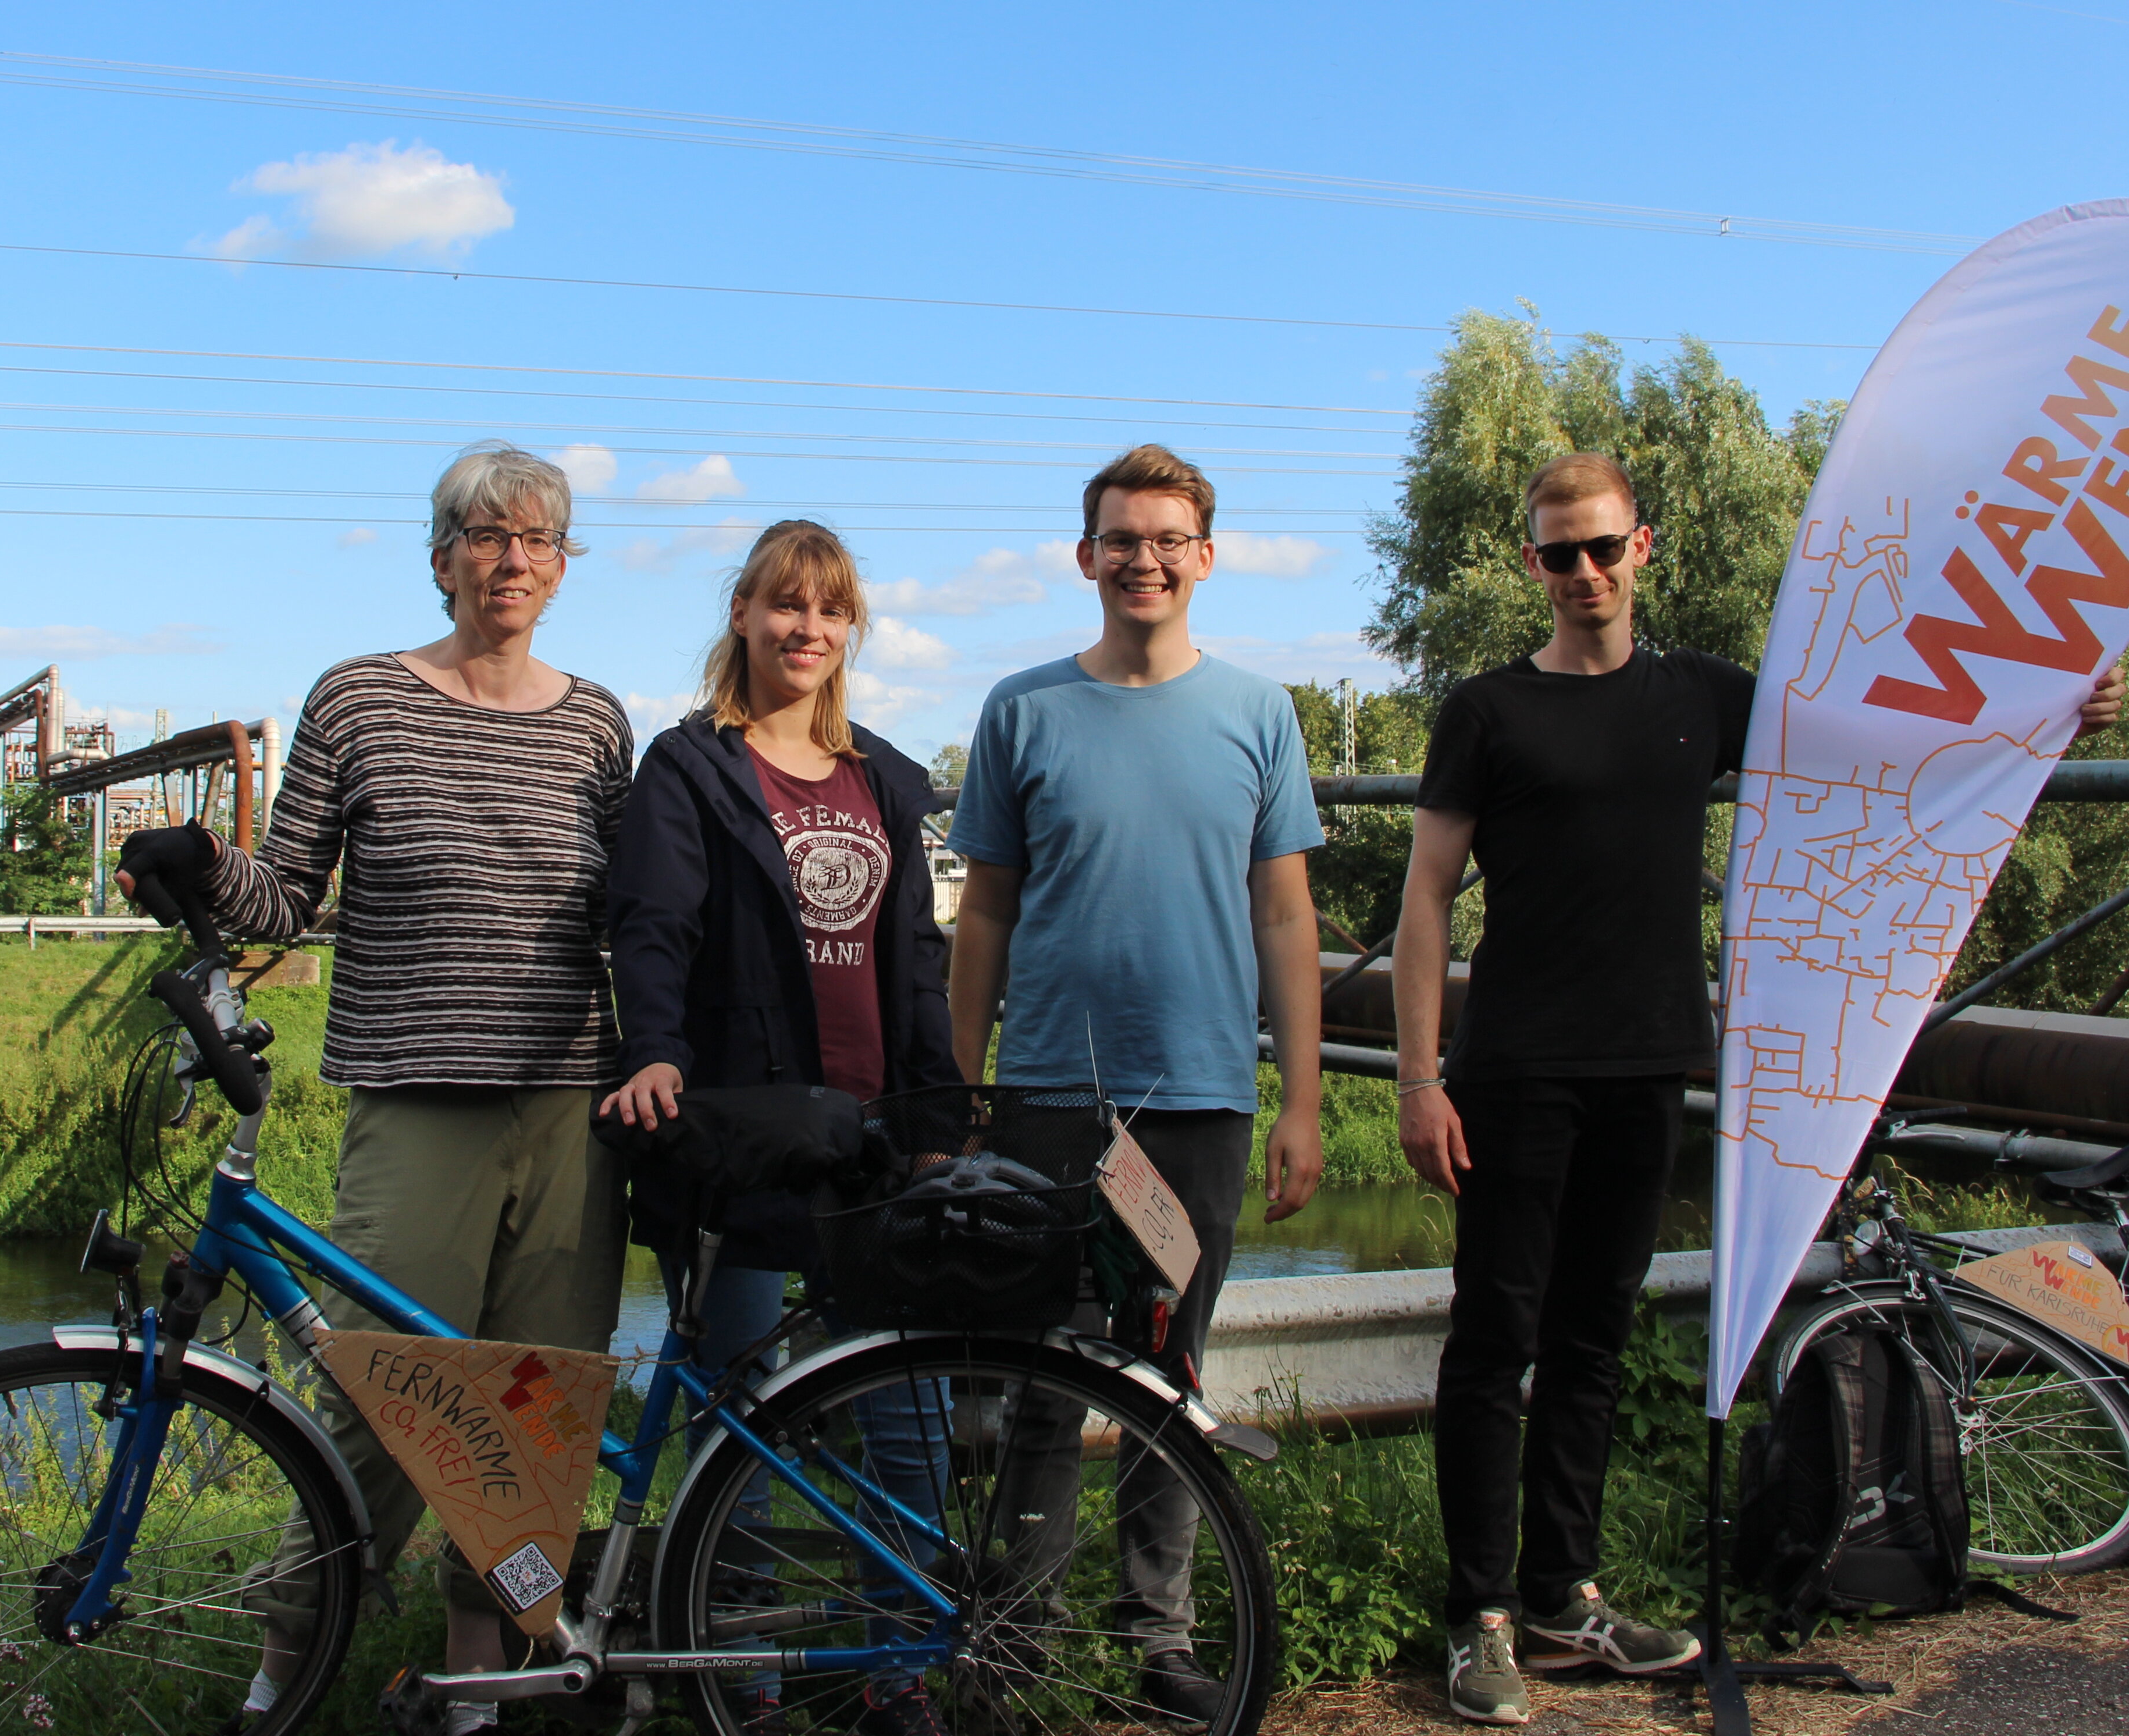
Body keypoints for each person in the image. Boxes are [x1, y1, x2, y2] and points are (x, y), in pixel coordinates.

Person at [1393, 450, 2127, 1726]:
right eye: (1559, 553)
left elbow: (1881, 735)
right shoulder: (1488, 710)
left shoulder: (1705, 696)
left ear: (1642, 547)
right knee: (1495, 1342)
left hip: (1649, 1062)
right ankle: (1481, 1618)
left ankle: (1565, 1598)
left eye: (1603, 547)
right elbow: (1422, 899)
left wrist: (2049, 710)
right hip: (1514, 1069)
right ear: (1532, 563)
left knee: (1593, 1341)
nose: (1583, 572)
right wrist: (1417, 1078)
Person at [120, 441, 632, 1733]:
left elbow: (631, 919)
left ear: (562, 567)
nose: (512, 560)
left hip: (571, 1103)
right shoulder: (359, 700)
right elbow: (288, 896)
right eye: (486, 536)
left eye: (537, 539)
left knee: (536, 1413)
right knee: (384, 1400)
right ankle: (281, 1669)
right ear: (442, 558)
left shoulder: (597, 723)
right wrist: (203, 860)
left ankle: (478, 1684)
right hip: (413, 1097)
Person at [946, 442, 1326, 1727]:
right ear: (1086, 555)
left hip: (1202, 1097)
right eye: (1122, 539)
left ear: (1205, 558)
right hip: (1050, 1095)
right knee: (1039, 1381)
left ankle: (1159, 1640)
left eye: (1168, 540)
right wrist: (960, 1091)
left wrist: (1303, 1101)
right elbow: (983, 915)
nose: (1144, 560)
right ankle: (1015, 1639)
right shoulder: (1023, 709)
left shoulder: (1259, 713)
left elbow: (1285, 917)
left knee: (1169, 1376)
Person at [603, 518, 962, 1736]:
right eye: (785, 605)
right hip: (743, 1138)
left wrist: (936, 1118)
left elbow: (917, 961)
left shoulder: (885, 779)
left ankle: (896, 1671)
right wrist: (654, 1051)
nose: (807, 628)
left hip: (874, 1137)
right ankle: (740, 1673)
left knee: (906, 1413)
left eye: (830, 609)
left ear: (851, 629)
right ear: (743, 616)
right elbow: (654, 924)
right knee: (738, 1414)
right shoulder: (690, 767)